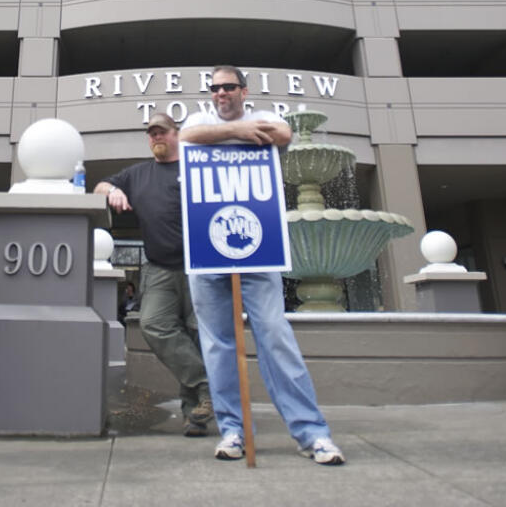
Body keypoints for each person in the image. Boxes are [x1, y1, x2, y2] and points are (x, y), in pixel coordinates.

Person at [179, 66, 345, 466]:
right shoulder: (200, 120)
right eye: (215, 88)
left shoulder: (265, 117)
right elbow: (187, 136)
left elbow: (283, 134)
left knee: (275, 336)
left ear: (243, 90)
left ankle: (312, 433)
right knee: (219, 345)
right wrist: (236, 134)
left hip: (257, 247)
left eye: (228, 87)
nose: (221, 94)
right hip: (207, 245)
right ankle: (233, 431)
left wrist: (242, 129)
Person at [94, 113, 213, 437]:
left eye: (162, 132)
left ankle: (196, 415)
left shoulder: (195, 166)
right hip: (159, 267)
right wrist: (111, 191)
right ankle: (207, 387)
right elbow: (101, 184)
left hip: (199, 266)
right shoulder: (138, 174)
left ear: (177, 134)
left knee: (195, 337)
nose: (156, 138)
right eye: (151, 134)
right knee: (153, 325)